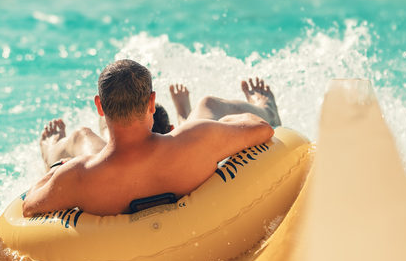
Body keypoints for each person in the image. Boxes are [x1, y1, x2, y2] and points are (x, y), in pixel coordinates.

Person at [24, 60, 280, 217]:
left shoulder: (77, 176)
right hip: (177, 155)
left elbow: (29, 207)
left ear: (99, 107)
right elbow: (262, 129)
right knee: (208, 103)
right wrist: (217, 127)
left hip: (104, 169)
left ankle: (50, 151)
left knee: (81, 136)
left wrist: (58, 171)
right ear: (152, 103)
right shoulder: (197, 139)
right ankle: (266, 106)